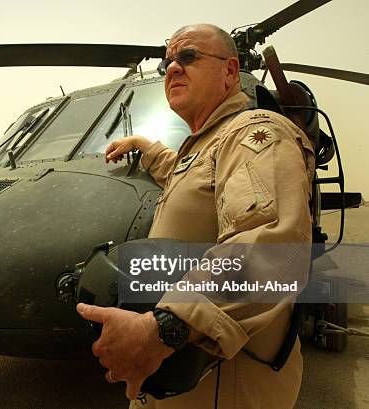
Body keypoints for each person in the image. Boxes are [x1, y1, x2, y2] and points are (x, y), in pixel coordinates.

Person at [76, 24, 315, 408]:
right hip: (192, 375)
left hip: (227, 384)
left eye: (187, 57)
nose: (172, 68)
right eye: (166, 63)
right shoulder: (207, 145)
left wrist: (163, 329)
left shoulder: (255, 134)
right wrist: (140, 145)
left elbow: (273, 246)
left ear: (230, 72)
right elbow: (187, 176)